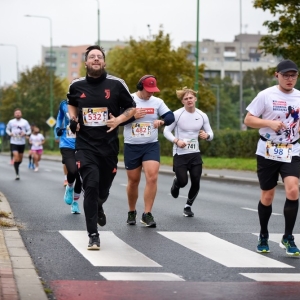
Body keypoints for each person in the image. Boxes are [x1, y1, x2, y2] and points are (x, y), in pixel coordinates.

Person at [67, 45, 136, 250]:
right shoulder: (76, 85)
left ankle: (99, 205)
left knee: (103, 189)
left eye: (99, 57)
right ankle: (93, 235)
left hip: (108, 146)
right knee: (90, 185)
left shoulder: (116, 84)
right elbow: (71, 102)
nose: (96, 59)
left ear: (104, 62)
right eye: (92, 57)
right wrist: (73, 118)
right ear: (86, 63)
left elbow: (132, 108)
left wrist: (119, 120)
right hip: (85, 145)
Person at [244, 59, 300, 257]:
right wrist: (269, 123)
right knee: (267, 196)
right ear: (277, 75)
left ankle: (288, 237)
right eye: (286, 75)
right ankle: (264, 234)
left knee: (293, 190)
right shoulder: (266, 95)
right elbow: (248, 119)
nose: (290, 79)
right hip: (267, 150)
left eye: (293, 75)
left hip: (291, 150)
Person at [122, 75, 175, 227]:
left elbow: (170, 117)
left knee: (152, 177)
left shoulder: (157, 102)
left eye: (153, 90)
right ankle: (132, 211)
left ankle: (147, 214)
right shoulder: (129, 99)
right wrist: (133, 117)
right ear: (140, 87)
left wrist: (162, 121)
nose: (151, 93)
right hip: (131, 145)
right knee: (133, 181)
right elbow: (118, 121)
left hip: (150, 145)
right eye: (148, 90)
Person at [163, 87, 214, 217]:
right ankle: (176, 183)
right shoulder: (176, 115)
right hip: (180, 153)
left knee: (196, 181)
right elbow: (166, 131)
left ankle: (188, 206)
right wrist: (176, 140)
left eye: (191, 97)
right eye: (186, 99)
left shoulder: (202, 115)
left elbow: (210, 133)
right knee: (183, 181)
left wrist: (207, 136)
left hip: (195, 153)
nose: (189, 100)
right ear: (182, 102)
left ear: (195, 99)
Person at [55, 99, 82, 214]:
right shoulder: (64, 104)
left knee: (81, 177)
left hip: (83, 143)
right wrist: (57, 128)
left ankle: (75, 203)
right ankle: (70, 186)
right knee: (73, 170)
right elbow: (60, 117)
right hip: (67, 143)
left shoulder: (87, 102)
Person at [6, 108, 32, 180]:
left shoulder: (25, 122)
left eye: (19, 113)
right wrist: (10, 133)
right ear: (14, 114)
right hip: (14, 142)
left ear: (21, 114)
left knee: (20, 159)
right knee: (16, 157)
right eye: (16, 113)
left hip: (22, 142)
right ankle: (17, 174)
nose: (17, 114)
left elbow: (29, 130)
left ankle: (16, 165)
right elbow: (7, 129)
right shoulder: (11, 122)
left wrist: (25, 133)